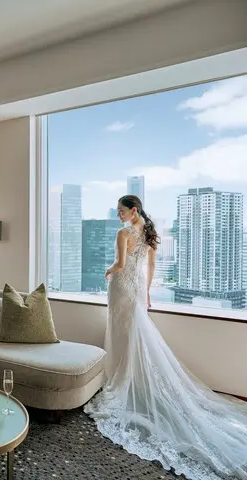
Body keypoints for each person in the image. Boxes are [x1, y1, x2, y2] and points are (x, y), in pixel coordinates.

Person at [84, 195, 247, 480]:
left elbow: (120, 264)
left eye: (121, 211)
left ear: (133, 210)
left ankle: (123, 379)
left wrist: (107, 270)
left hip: (121, 287)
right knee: (132, 334)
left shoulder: (123, 233)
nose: (118, 215)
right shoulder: (149, 230)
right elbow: (151, 268)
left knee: (121, 333)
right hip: (136, 289)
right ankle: (130, 378)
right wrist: (146, 293)